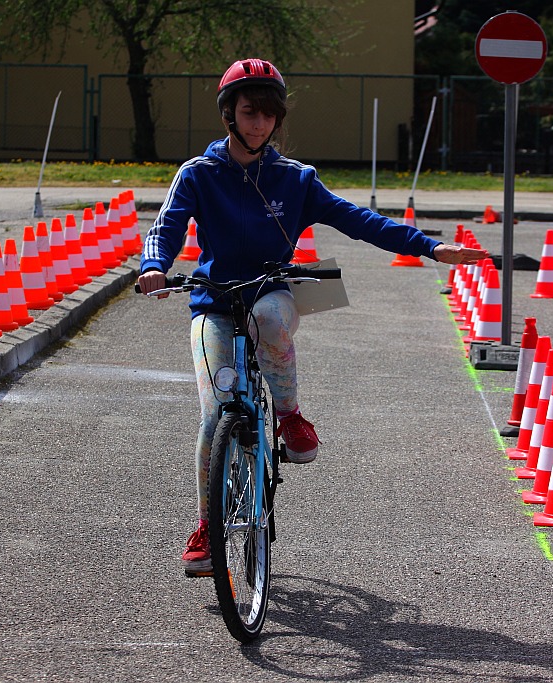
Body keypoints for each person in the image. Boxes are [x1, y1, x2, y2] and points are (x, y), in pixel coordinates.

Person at [137, 58, 488, 574]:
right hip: (213, 300)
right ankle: (208, 529)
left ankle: (290, 414)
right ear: (229, 114)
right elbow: (166, 227)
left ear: (277, 120)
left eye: (267, 115)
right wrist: (153, 268)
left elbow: (358, 220)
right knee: (214, 416)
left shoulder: (296, 179)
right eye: (248, 112)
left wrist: (430, 247)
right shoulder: (198, 173)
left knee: (273, 322)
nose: (258, 123)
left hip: (270, 291)